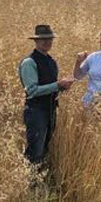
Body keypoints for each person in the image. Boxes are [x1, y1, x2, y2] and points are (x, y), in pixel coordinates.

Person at [19, 24, 73, 172]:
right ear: (35, 41)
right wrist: (57, 85)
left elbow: (50, 88)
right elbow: (32, 91)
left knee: (44, 147)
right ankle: (30, 182)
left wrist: (62, 87)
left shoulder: (51, 61)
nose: (46, 42)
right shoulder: (29, 62)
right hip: (36, 111)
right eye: (42, 39)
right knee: (35, 149)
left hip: (50, 110)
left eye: (49, 39)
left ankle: (38, 180)